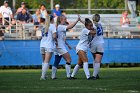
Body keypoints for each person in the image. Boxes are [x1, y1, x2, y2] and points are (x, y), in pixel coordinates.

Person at [53, 15, 80, 79]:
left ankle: (53, 76)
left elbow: (62, 38)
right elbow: (71, 26)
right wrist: (77, 20)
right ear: (61, 20)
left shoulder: (59, 27)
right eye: (65, 19)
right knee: (69, 60)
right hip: (60, 47)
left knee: (56, 61)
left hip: (57, 47)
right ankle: (68, 76)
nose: (66, 20)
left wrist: (68, 45)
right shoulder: (60, 26)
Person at [40, 16, 58, 80]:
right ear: (52, 20)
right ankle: (42, 76)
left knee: (44, 62)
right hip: (49, 45)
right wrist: (56, 41)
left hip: (42, 45)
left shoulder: (44, 26)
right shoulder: (52, 26)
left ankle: (44, 75)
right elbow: (54, 36)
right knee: (46, 62)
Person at [89, 14, 104, 80]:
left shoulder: (93, 25)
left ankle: (95, 75)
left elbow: (90, 33)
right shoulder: (100, 24)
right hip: (101, 43)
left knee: (95, 60)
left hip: (93, 43)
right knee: (97, 60)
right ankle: (95, 75)